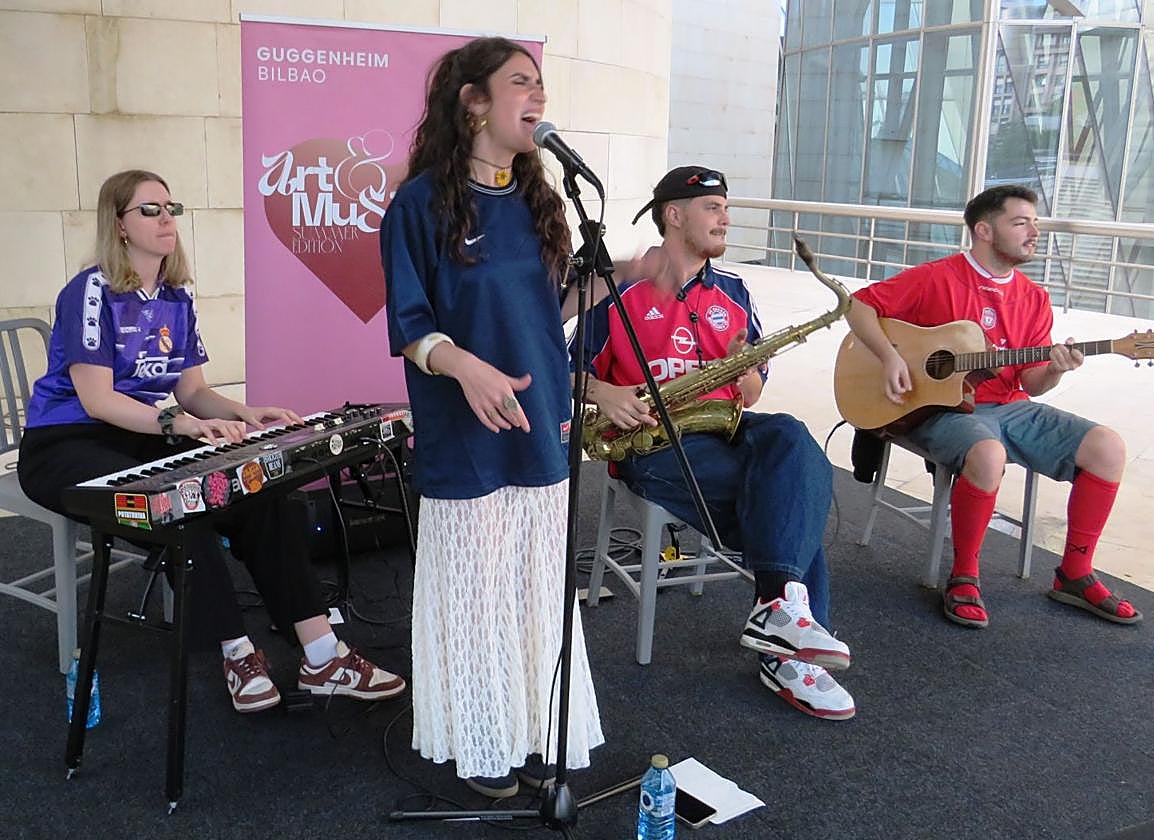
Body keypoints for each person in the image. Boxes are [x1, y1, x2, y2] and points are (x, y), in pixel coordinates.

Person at [18, 169, 406, 714]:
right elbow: (98, 402)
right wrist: (178, 425)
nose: (166, 219)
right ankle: (238, 652)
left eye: (170, 207)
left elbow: (193, 390)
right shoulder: (91, 290)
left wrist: (245, 412)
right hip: (65, 443)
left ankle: (323, 654)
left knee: (260, 492)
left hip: (141, 434)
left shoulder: (175, 296)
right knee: (186, 512)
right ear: (119, 226)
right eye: (149, 210)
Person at [380, 37, 604, 799]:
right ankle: (484, 741)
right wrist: (464, 364)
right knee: (477, 594)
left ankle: (535, 727)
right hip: (464, 434)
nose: (538, 96)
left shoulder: (543, 201)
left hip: (540, 425)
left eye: (541, 84)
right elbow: (410, 326)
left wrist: (623, 278)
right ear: (472, 100)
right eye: (521, 83)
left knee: (536, 590)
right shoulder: (418, 205)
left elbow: (547, 313)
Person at [571, 166, 855, 721]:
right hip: (650, 441)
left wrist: (740, 364)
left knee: (791, 437)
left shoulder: (735, 293)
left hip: (722, 425)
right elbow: (563, 370)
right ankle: (789, 642)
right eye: (714, 207)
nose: (726, 218)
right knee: (794, 505)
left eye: (726, 208)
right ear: (674, 215)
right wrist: (603, 390)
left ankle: (777, 609)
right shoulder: (619, 292)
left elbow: (750, 391)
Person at [845, 184, 1139, 628]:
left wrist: (1057, 368)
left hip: (1011, 408)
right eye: (1021, 222)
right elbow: (857, 306)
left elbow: (1032, 384)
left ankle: (1074, 575)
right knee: (988, 453)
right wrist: (889, 357)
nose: (1034, 232)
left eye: (1035, 222)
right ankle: (964, 575)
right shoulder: (936, 277)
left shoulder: (1034, 298)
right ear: (984, 230)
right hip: (936, 410)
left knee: (1108, 447)